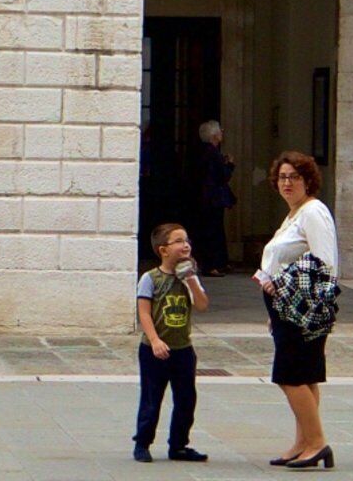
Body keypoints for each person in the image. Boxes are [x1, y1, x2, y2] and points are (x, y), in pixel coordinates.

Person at [252, 152, 339, 469]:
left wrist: (286, 291)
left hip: (302, 308)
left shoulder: (313, 212)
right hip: (287, 307)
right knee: (306, 375)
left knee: (289, 375)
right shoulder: (295, 214)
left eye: (294, 177)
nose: (287, 182)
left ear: (308, 180)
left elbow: (324, 261)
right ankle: (304, 442)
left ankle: (317, 443)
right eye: (282, 177)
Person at [133, 219, 210, 463]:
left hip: (183, 350)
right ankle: (142, 443)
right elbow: (144, 312)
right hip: (154, 351)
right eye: (178, 241)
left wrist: (191, 282)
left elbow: (202, 305)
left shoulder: (189, 277)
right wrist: (154, 340)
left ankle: (178, 445)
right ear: (163, 250)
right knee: (151, 400)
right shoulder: (151, 278)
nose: (185, 245)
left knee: (186, 400)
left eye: (186, 240)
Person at [189, 120, 238, 270]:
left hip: (203, 197)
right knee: (214, 232)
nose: (222, 132)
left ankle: (218, 263)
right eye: (220, 130)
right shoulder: (212, 153)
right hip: (213, 199)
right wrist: (229, 164)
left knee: (210, 230)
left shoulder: (201, 152)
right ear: (214, 135)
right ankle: (213, 265)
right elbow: (222, 176)